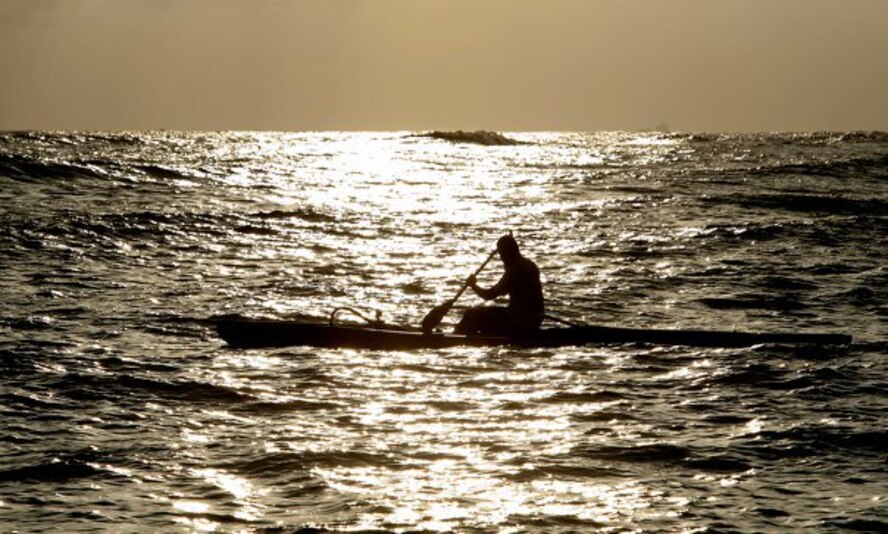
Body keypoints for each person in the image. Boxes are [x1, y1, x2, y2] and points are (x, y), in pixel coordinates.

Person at [454, 234, 544, 336]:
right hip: (533, 318)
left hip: (521, 321)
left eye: (502, 255)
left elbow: (489, 295)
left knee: (472, 314)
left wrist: (473, 285)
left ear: (509, 253)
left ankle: (456, 338)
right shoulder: (528, 264)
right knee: (480, 314)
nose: (502, 259)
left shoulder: (516, 271)